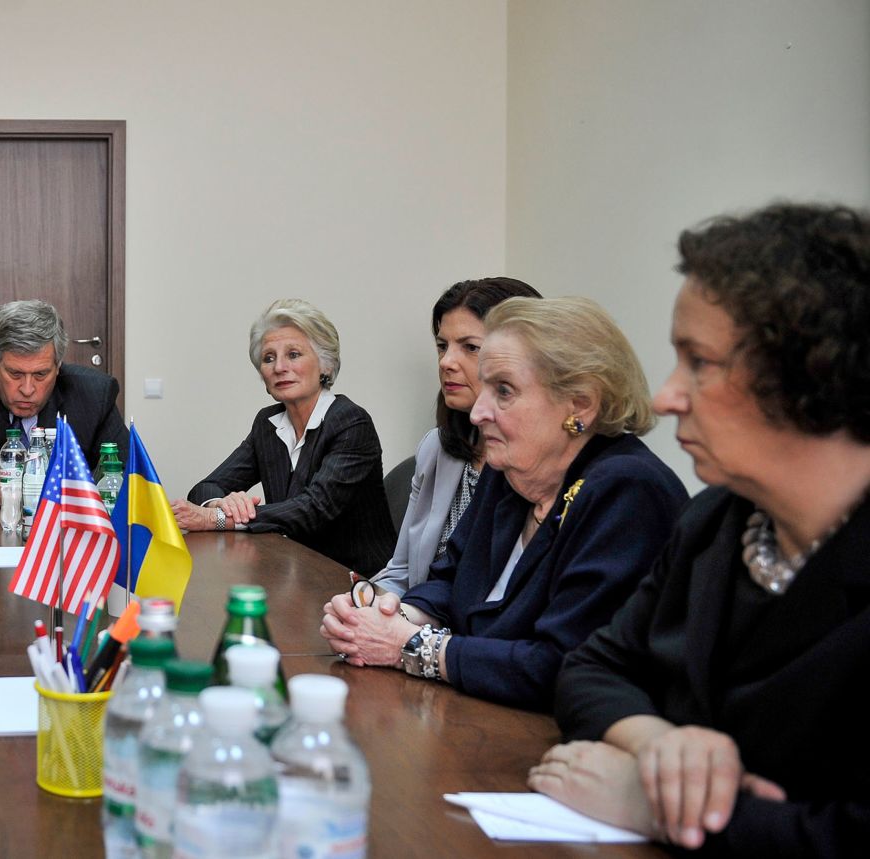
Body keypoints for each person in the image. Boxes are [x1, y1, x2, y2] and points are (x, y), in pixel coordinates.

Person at [529, 204, 870, 855]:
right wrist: (661, 746)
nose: (665, 395)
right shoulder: (716, 518)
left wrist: (654, 804)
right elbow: (591, 667)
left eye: (699, 362)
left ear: (811, 369)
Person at [321, 297, 688, 710]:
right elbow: (448, 578)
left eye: (504, 391)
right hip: (471, 713)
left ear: (581, 404)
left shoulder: (629, 491)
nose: (477, 413)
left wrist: (412, 647)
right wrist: (393, 615)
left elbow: (562, 664)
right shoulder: (510, 469)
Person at [171, 299, 397, 574]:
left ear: (325, 365)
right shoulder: (267, 425)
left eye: (293, 354)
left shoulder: (350, 422)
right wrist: (222, 504)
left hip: (358, 581)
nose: (279, 367)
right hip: (295, 569)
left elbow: (313, 510)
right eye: (269, 358)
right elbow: (206, 486)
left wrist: (218, 519)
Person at [370, 277, 541, 596]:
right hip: (420, 621)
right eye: (442, 346)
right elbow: (402, 571)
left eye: (470, 347)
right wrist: (366, 602)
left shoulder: (532, 464)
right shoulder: (436, 446)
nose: (447, 362)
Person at [0, 299, 128, 508]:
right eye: (15, 373)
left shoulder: (93, 393)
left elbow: (125, 481)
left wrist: (17, 490)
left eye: (41, 374)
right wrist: (68, 490)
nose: (27, 389)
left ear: (58, 365)